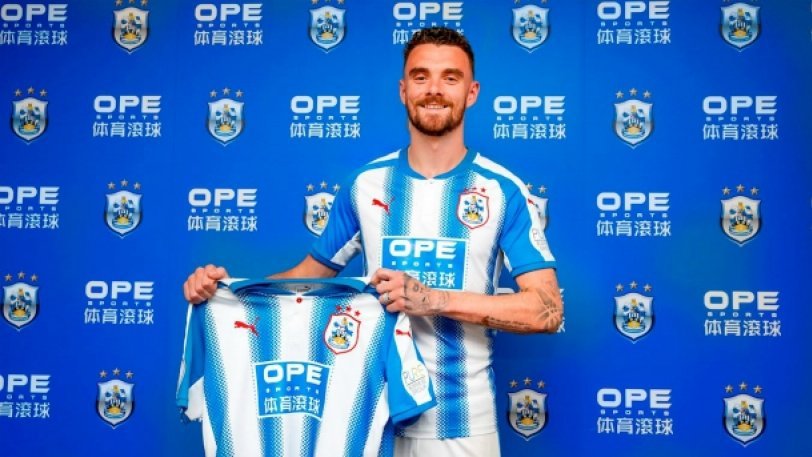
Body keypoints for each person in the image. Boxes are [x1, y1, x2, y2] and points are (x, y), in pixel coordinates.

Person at [184, 26, 562, 457]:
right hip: (369, 425)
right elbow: (305, 281)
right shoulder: (365, 185)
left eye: (450, 78)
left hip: (463, 426)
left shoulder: (502, 190)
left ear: (471, 92)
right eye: (420, 76)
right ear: (403, 90)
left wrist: (433, 300)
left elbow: (546, 309)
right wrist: (224, 291)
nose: (434, 90)